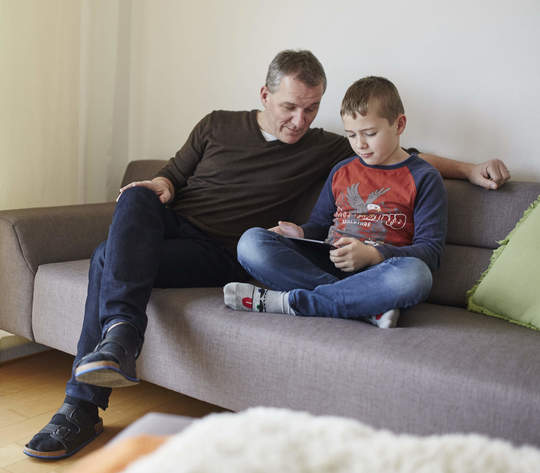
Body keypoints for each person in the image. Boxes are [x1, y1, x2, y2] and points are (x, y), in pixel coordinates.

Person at [24, 50, 510, 460]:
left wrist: (468, 168)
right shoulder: (217, 125)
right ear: (264, 96)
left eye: (312, 109)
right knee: (131, 208)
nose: (300, 121)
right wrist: (159, 185)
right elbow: (171, 177)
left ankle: (83, 404)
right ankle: (120, 342)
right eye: (290, 107)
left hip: (226, 255)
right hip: (178, 232)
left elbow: (398, 153)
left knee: (112, 258)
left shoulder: (328, 149)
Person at [224, 75, 445, 329]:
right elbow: (319, 223)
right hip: (329, 262)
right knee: (251, 242)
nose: (360, 144)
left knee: (416, 276)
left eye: (370, 133)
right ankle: (362, 307)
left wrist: (373, 255)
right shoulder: (342, 170)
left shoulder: (424, 177)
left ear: (399, 124)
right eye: (351, 135)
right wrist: (300, 232)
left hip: (377, 273)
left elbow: (430, 253)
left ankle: (295, 303)